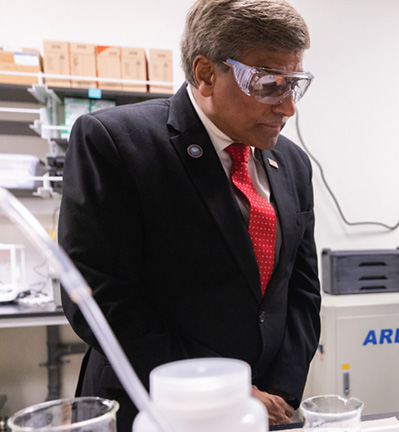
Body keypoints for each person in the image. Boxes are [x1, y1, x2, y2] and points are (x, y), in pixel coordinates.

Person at [59, 0, 321, 429]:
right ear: (204, 74)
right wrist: (227, 390)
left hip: (265, 409)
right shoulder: (118, 143)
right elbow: (99, 299)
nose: (288, 107)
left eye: (294, 84)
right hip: (155, 406)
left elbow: (302, 290)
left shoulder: (291, 164)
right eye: (270, 83)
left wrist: (282, 391)